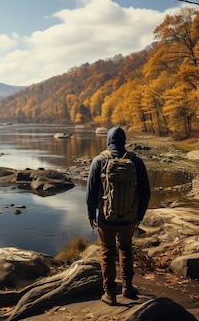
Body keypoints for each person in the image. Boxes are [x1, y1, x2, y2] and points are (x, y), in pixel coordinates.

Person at [86, 126, 150, 305]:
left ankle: (110, 293)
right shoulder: (135, 162)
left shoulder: (99, 160)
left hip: (106, 218)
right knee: (126, 248)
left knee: (107, 252)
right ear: (124, 141)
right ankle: (128, 287)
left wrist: (91, 213)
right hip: (129, 218)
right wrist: (139, 215)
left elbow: (91, 191)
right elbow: (146, 192)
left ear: (108, 140)